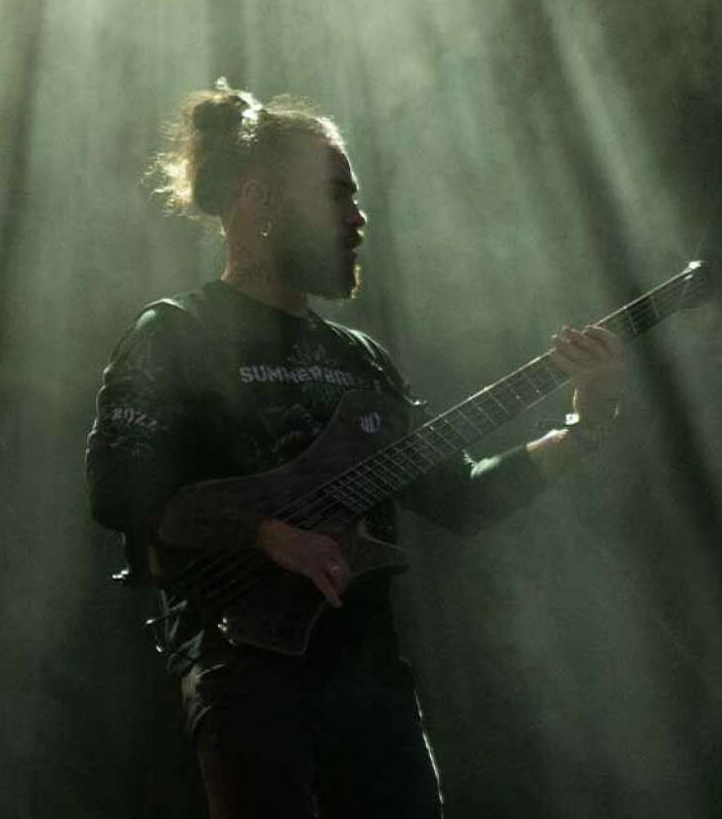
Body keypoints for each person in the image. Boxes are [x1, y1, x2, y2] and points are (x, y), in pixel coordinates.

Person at [86, 82, 627, 819]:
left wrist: (586, 424)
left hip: (372, 686)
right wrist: (266, 532)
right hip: (244, 673)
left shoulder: (362, 361)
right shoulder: (177, 333)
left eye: (356, 199)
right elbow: (118, 484)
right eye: (337, 195)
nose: (358, 218)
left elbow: (462, 496)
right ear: (261, 201)